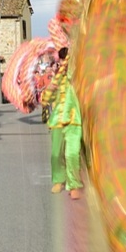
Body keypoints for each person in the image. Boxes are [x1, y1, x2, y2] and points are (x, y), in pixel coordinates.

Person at [41, 48, 83, 200]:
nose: (64, 62)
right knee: (56, 154)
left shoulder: (77, 76)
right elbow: (46, 99)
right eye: (62, 59)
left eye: (67, 59)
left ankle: (74, 185)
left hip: (73, 120)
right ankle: (59, 180)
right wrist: (49, 90)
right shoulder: (56, 78)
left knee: (72, 154)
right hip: (57, 120)